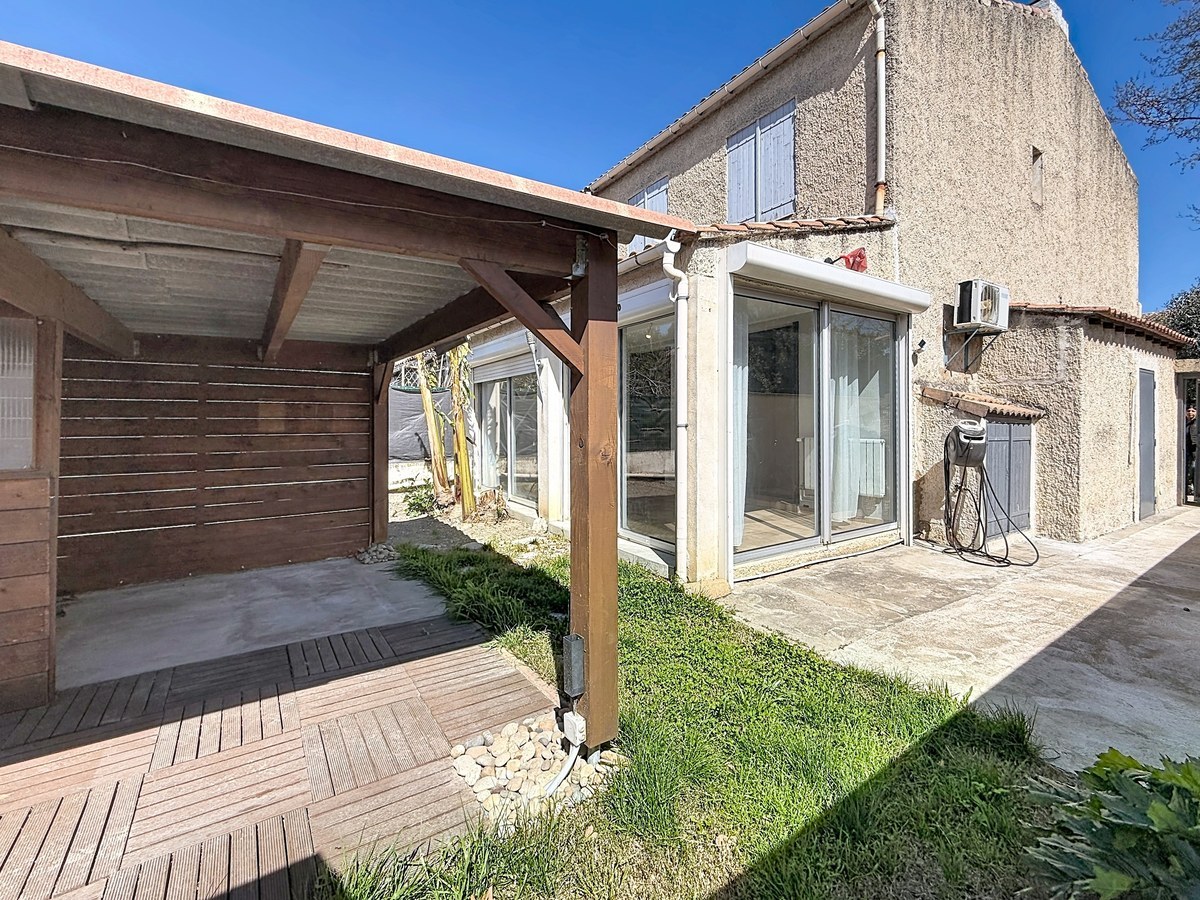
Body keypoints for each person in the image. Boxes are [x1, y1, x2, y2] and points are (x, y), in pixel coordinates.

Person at [1187, 406, 1197, 497]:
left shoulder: (1196, 423)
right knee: (1189, 471)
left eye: (1193, 411)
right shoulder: (1185, 424)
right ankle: (1190, 489)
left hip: (1195, 451)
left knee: (1194, 470)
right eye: (1188, 411)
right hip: (1187, 451)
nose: (1190, 413)